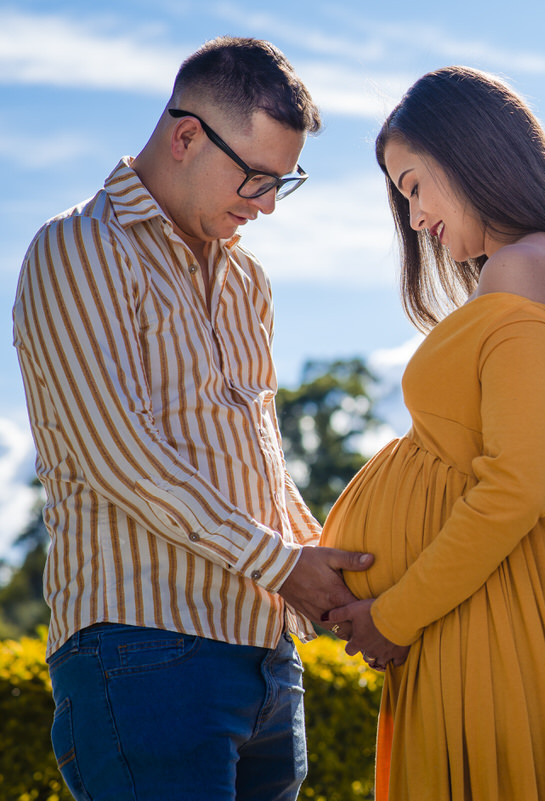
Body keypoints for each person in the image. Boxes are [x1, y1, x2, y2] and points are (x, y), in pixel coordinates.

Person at [11, 37, 378, 800]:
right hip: (144, 650)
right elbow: (123, 456)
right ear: (185, 136)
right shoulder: (79, 248)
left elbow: (261, 461)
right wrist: (288, 567)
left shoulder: (248, 282)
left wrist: (329, 572)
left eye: (285, 182)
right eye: (256, 177)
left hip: (269, 661)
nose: (269, 204)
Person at [318, 66, 545, 801]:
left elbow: (517, 485)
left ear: (468, 154)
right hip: (505, 607)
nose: (415, 215)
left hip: (494, 626)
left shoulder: (520, 272)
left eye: (415, 183)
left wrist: (393, 614)